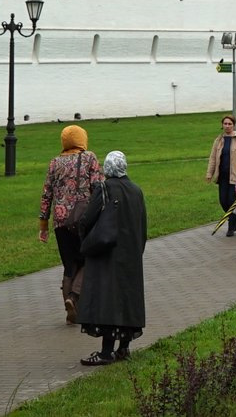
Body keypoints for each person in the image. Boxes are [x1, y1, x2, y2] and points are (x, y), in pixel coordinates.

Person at [76, 150, 149, 365]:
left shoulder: (104, 188)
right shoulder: (136, 191)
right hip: (131, 252)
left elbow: (88, 218)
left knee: (108, 300)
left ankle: (106, 352)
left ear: (106, 169)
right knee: (127, 298)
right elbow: (142, 223)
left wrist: (85, 240)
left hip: (107, 253)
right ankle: (124, 348)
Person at [39, 124, 103, 325]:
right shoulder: (89, 158)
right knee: (87, 259)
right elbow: (98, 187)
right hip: (83, 219)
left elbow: (46, 194)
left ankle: (70, 313)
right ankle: (74, 298)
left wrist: (43, 226)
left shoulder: (54, 163)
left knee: (69, 264)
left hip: (60, 221)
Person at [205, 115, 236, 237]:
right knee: (223, 201)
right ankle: (234, 218)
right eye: (225, 124)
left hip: (234, 177)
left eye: (229, 124)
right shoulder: (219, 140)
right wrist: (209, 173)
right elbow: (212, 158)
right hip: (222, 177)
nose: (227, 126)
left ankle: (231, 227)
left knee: (231, 201)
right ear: (222, 125)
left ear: (233, 125)